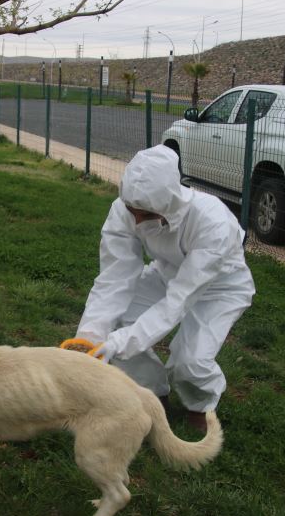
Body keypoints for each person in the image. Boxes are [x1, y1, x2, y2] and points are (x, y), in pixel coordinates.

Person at [74, 145, 255, 431]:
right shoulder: (125, 209)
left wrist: (119, 344)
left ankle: (200, 406)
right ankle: (153, 395)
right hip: (166, 273)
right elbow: (114, 277)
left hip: (220, 287)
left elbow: (177, 302)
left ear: (167, 205)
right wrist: (89, 337)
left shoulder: (213, 222)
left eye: (144, 215)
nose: (135, 220)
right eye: (132, 211)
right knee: (114, 324)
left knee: (190, 360)